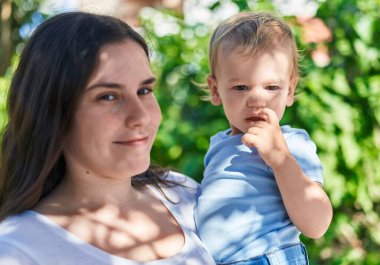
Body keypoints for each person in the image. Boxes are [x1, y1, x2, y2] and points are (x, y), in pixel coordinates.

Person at [0, 12, 216, 265]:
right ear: (53, 111)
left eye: (144, 90)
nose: (140, 116)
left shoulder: (183, 193)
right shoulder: (18, 250)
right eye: (108, 96)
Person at [194, 11, 333, 265]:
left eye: (271, 87)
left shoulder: (290, 143)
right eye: (240, 87)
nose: (257, 99)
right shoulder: (217, 144)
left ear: (289, 91)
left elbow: (317, 224)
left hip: (267, 258)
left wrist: (280, 159)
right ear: (216, 90)